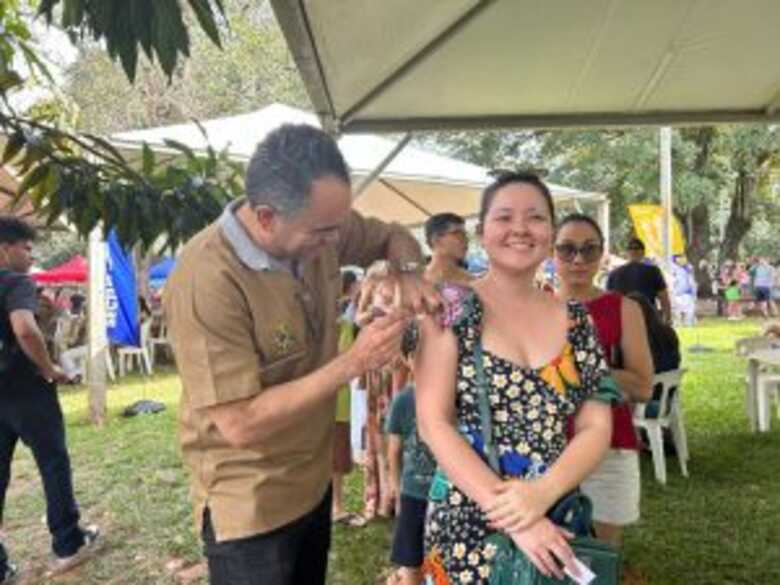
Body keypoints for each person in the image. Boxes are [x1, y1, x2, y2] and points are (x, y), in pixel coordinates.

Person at [163, 124, 439, 585]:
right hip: (251, 502)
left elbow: (392, 236)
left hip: (311, 483)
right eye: (323, 232)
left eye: (339, 226)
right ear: (267, 217)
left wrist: (409, 272)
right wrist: (353, 362)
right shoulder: (206, 280)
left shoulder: (318, 225)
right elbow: (239, 422)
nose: (336, 242)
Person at [416, 173, 614, 583]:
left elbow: (597, 425)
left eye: (536, 218)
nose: (520, 228)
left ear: (550, 233)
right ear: (482, 232)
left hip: (555, 512)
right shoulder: (450, 310)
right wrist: (516, 517)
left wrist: (542, 494)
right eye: (504, 217)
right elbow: (433, 423)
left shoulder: (577, 320)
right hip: (468, 519)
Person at [0, 217, 99, 584]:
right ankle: (68, 543)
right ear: (5, 248)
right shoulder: (15, 282)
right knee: (53, 464)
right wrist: (48, 368)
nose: (31, 256)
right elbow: (24, 329)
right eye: (26, 248)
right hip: (26, 390)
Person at [553, 213, 654, 547]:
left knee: (601, 554)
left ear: (603, 254)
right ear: (551, 253)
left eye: (589, 249)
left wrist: (580, 364)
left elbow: (642, 386)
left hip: (609, 446)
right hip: (543, 446)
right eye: (567, 249)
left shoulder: (623, 308)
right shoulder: (531, 307)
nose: (578, 259)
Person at [385, 332, 436, 585]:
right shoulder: (403, 401)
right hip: (413, 493)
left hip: (444, 494)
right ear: (406, 359)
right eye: (419, 356)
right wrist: (396, 488)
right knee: (411, 559)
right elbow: (393, 450)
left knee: (441, 558)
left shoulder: (448, 396)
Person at [331, 270, 365, 528]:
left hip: (338, 404)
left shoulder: (345, 324)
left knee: (336, 460)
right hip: (316, 406)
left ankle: (336, 506)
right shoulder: (312, 329)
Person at [606, 237, 672, 324]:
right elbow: (664, 298)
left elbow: (608, 302)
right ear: (643, 253)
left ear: (626, 253)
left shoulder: (614, 274)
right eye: (632, 248)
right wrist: (667, 319)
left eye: (635, 248)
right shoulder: (653, 271)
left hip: (623, 320)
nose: (633, 251)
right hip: (647, 319)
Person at [423, 213, 474, 286]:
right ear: (436, 240)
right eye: (457, 234)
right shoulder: (420, 283)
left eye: (465, 234)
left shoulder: (471, 280)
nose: (465, 239)